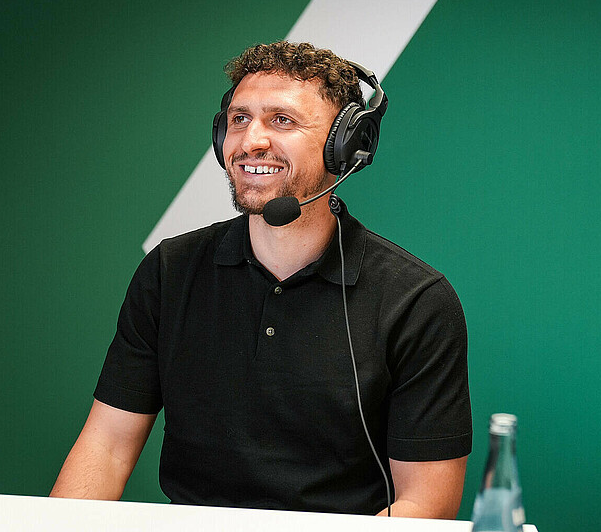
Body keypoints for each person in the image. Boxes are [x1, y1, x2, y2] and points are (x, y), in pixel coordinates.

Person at [50, 41, 471, 518]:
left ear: (347, 143)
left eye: (282, 121)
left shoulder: (415, 301)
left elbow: (425, 502)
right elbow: (107, 446)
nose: (251, 141)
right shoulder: (170, 271)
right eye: (238, 119)